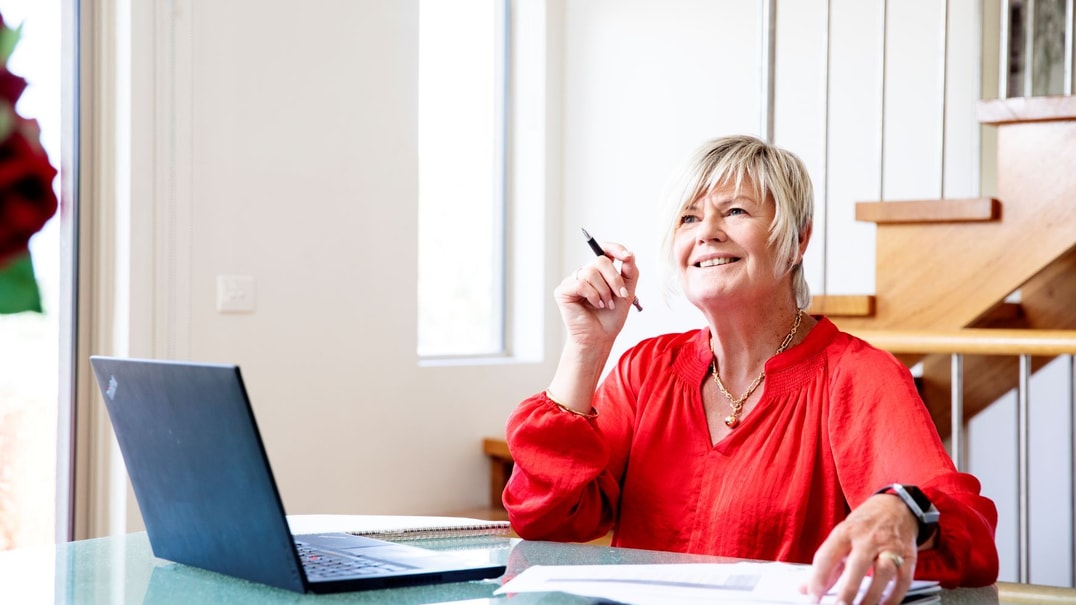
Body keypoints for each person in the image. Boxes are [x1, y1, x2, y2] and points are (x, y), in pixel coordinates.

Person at [502, 135, 999, 605]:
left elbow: (965, 542)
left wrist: (904, 510)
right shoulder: (645, 369)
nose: (707, 232)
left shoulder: (858, 376)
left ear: (797, 241)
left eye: (735, 211)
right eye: (689, 218)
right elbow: (545, 519)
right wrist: (586, 349)